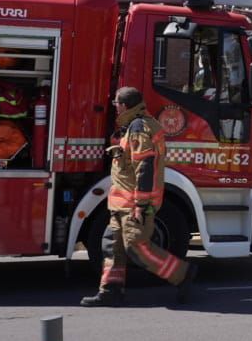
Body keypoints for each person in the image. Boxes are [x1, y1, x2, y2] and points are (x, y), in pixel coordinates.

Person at [81, 86, 197, 307]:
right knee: (111, 246)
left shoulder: (139, 128)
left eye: (116, 103)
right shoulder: (132, 126)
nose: (114, 107)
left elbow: (145, 167)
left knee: (136, 248)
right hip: (120, 203)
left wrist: (141, 205)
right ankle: (111, 291)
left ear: (124, 105)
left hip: (134, 203)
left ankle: (183, 274)